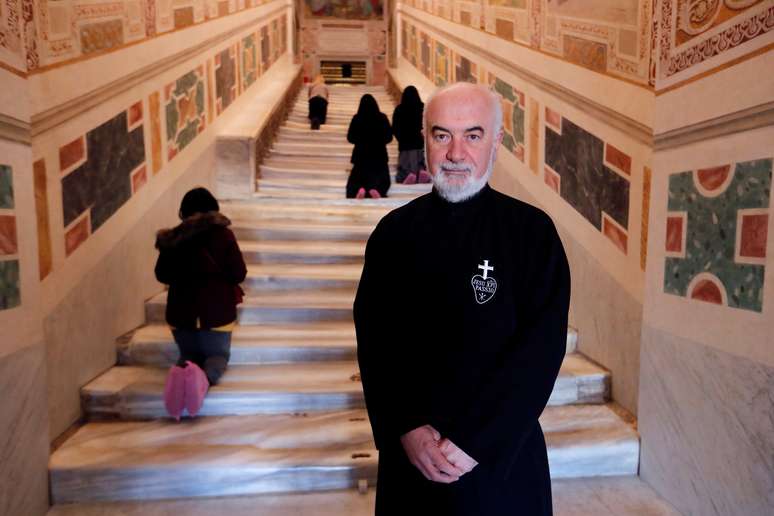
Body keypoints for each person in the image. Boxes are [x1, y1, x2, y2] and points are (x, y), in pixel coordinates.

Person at [354, 82, 571, 515]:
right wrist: (407, 428)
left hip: (500, 464)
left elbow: (540, 352)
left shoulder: (533, 235)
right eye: (441, 135)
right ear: (425, 141)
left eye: (472, 135)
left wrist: (479, 440)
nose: (456, 153)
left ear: (496, 143)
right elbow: (376, 344)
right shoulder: (393, 235)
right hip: (412, 463)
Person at [154, 187, 247, 420]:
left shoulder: (172, 237)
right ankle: (202, 382)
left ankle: (180, 378)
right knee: (217, 356)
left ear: (183, 212)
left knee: (189, 353)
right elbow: (238, 273)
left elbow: (161, 274)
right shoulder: (224, 235)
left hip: (180, 313)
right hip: (215, 313)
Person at [346, 94, 393, 199]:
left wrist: (361, 140)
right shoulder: (382, 117)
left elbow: (350, 137)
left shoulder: (357, 118)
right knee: (381, 177)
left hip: (360, 155)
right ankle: (376, 189)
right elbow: (389, 137)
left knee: (357, 177)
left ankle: (360, 188)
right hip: (379, 154)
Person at [391, 85, 430, 184]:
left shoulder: (399, 109)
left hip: (405, 145)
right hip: (420, 143)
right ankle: (422, 171)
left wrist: (401, 138)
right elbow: (429, 124)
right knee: (422, 161)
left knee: (405, 164)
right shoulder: (423, 108)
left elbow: (395, 127)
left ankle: (408, 175)